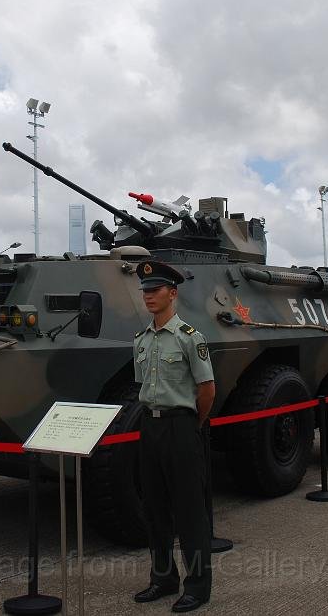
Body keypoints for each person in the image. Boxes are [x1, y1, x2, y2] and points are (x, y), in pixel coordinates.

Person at [131, 260, 215, 613]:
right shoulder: (141, 340)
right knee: (154, 509)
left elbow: (207, 389)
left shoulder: (189, 337)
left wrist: (191, 424)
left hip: (180, 427)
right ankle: (163, 578)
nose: (149, 296)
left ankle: (197, 587)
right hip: (149, 426)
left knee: (189, 511)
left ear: (172, 293)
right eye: (145, 291)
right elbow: (143, 386)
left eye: (156, 290)